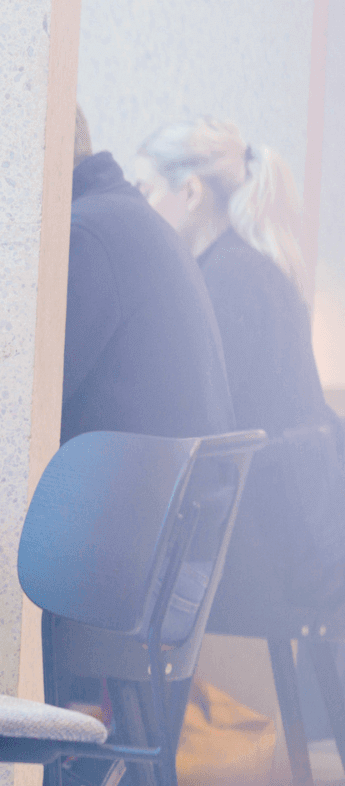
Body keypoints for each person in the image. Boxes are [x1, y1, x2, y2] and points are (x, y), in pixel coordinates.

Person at [134, 118, 344, 609]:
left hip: (269, 547)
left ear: (190, 192)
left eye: (145, 188)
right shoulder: (244, 268)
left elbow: (205, 421)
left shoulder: (227, 284)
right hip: (295, 532)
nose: (137, 207)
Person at [61, 107, 234, 443]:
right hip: (173, 489)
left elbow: (31, 397)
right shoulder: (128, 217)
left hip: (126, 490)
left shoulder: (86, 233)